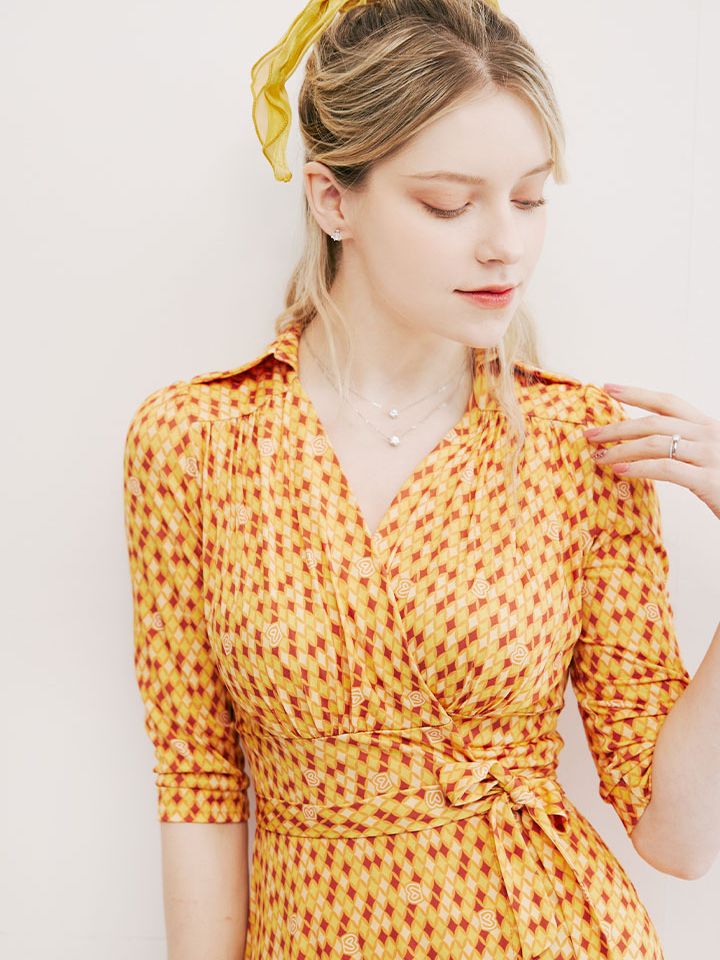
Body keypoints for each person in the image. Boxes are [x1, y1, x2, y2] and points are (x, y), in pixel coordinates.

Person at [122, 2, 720, 958]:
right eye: (449, 204)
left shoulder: (578, 444)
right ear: (333, 201)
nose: (505, 245)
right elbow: (199, 782)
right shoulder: (195, 441)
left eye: (531, 198)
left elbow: (679, 839)